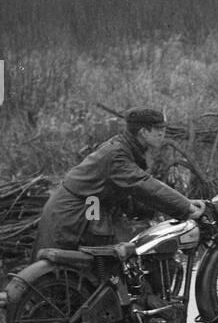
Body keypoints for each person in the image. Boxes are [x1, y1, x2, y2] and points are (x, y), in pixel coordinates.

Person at [35, 108, 204, 253]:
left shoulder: (127, 149)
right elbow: (143, 184)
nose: (162, 134)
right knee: (70, 277)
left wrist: (179, 205)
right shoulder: (118, 155)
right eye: (158, 129)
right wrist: (186, 207)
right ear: (143, 132)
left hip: (85, 209)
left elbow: (132, 193)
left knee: (110, 269)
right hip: (72, 216)